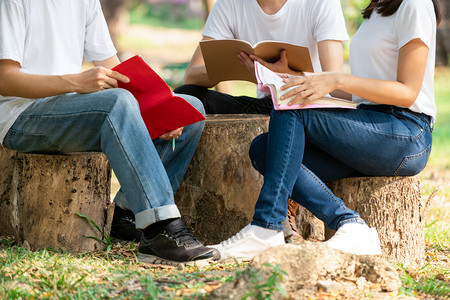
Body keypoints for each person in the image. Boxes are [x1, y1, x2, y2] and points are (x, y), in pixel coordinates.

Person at [211, 0, 442, 260]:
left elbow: (408, 92)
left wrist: (337, 78)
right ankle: (350, 224)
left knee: (292, 109)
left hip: (407, 132)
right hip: (369, 123)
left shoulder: (414, 4)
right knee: (264, 149)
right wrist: (292, 76)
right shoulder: (376, 8)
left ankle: (266, 226)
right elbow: (358, 92)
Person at [0, 0, 219, 266]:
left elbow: (115, 69)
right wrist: (76, 82)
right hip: (21, 117)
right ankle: (159, 229)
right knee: (116, 102)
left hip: (74, 111)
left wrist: (162, 106)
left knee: (188, 106)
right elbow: (5, 79)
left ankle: (125, 216)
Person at [173, 0, 349, 115]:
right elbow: (191, 76)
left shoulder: (321, 2)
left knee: (287, 113)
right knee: (186, 95)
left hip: (309, 106)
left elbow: (334, 82)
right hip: (265, 106)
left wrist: (287, 75)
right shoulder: (230, 3)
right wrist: (236, 67)